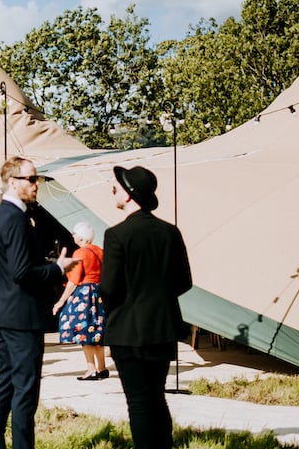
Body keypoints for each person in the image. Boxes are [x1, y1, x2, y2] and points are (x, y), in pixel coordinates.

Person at [0, 156, 77, 449]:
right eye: (32, 179)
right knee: (25, 390)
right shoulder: (15, 218)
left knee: (5, 383)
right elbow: (22, 272)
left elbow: (3, 267)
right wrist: (57, 269)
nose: (37, 184)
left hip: (6, 312)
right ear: (14, 182)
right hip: (23, 316)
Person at [102, 166, 193, 449]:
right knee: (157, 396)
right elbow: (184, 282)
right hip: (163, 327)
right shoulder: (170, 232)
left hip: (128, 331)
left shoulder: (117, 235)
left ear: (129, 195)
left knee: (139, 402)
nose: (113, 191)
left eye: (116, 188)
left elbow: (108, 288)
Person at [52, 221, 108, 381]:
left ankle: (91, 369)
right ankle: (102, 367)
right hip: (99, 292)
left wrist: (60, 301)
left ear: (82, 238)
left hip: (85, 293)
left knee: (83, 330)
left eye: (75, 233)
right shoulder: (101, 251)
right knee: (97, 330)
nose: (73, 236)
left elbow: (73, 281)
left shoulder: (80, 253)